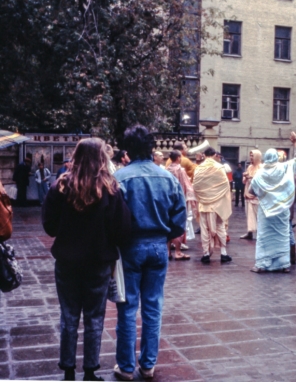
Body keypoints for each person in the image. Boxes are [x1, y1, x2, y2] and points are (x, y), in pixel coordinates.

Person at [42, 138, 131, 382]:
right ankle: (90, 371)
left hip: (67, 261)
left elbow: (49, 226)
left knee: (69, 315)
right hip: (98, 262)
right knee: (94, 316)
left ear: (76, 156)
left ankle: (68, 370)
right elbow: (122, 228)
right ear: (102, 157)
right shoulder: (110, 187)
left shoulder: (60, 186)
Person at [113, 125, 187, 381]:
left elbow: (111, 217)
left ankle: (125, 366)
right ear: (152, 148)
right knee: (153, 306)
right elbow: (180, 218)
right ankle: (148, 364)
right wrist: (166, 237)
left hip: (129, 247)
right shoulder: (166, 177)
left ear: (127, 150)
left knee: (127, 306)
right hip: (158, 246)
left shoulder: (120, 177)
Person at [249, 132, 296, 273]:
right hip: (282, 209)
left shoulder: (260, 173)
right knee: (282, 236)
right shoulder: (284, 168)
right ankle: (283, 265)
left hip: (266, 211)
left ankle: (261, 265)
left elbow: (252, 190)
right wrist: (295, 142)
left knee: (264, 237)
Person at [193, 147, 232, 264]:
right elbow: (225, 185)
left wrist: (203, 196)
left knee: (204, 229)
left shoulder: (199, 168)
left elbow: (195, 186)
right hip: (217, 205)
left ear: (204, 155)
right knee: (220, 227)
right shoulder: (220, 168)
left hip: (204, 204)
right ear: (215, 154)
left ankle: (206, 254)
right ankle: (223, 253)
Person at [166, 150, 198, 260]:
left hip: (168, 200)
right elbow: (187, 186)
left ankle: (168, 251)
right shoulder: (180, 170)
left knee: (168, 225)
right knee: (179, 225)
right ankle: (178, 252)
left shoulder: (167, 170)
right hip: (179, 200)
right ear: (179, 158)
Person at [241, 150, 262, 240]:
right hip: (248, 193)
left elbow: (262, 181)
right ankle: (249, 233)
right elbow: (244, 181)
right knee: (248, 214)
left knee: (257, 215)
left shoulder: (261, 167)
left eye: (252, 156)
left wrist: (252, 177)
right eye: (250, 156)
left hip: (256, 195)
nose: (251, 158)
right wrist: (245, 176)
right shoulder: (249, 167)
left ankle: (260, 234)